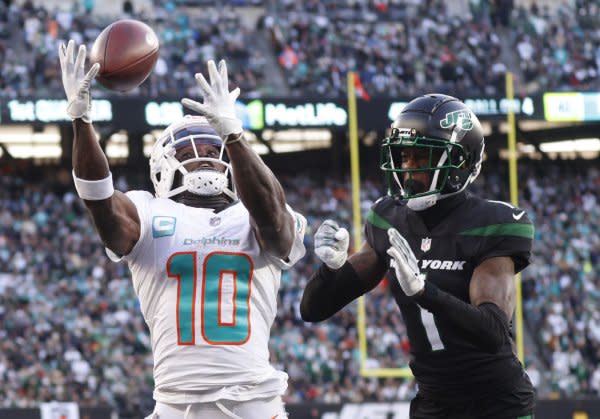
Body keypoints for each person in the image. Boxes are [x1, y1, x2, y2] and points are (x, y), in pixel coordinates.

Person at [59, 40, 306, 419]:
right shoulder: (147, 211)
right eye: (190, 154)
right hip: (175, 407)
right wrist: (81, 119)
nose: (204, 160)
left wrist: (235, 135)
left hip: (254, 406)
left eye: (212, 151)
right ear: (163, 167)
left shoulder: (256, 213)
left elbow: (276, 228)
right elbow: (99, 199)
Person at [301, 94, 536, 418]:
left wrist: (426, 293)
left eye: (421, 158)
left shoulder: (492, 223)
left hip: (496, 403)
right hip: (433, 402)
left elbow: (493, 332)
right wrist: (329, 269)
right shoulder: (389, 218)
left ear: (461, 163)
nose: (409, 169)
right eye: (403, 157)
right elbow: (313, 310)